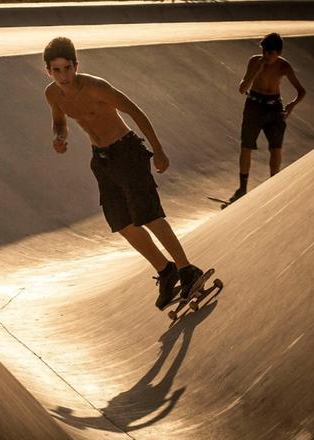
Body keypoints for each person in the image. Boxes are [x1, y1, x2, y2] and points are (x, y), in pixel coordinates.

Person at [42, 37, 203, 309]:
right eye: (56, 70)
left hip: (127, 152)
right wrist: (59, 137)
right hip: (101, 160)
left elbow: (136, 112)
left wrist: (158, 150)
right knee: (122, 223)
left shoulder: (96, 87)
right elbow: (59, 121)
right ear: (48, 70)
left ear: (76, 65)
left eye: (67, 68)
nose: (63, 76)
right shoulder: (52, 93)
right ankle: (167, 271)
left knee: (148, 214)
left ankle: (188, 269)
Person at [230, 32, 306, 203]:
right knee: (246, 146)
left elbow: (302, 91)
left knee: (275, 148)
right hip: (254, 104)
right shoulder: (254, 61)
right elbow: (242, 89)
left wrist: (292, 105)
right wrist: (256, 71)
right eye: (264, 51)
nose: (266, 56)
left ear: (278, 52)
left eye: (270, 53)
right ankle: (242, 188)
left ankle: (274, 185)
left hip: (274, 107)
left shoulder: (284, 66)